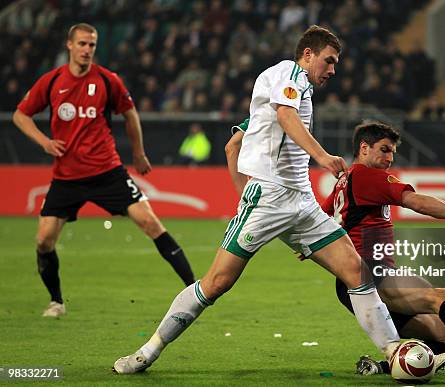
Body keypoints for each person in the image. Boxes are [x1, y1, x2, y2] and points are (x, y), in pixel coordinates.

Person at [113, 25, 402, 375]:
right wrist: (319, 159)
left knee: (355, 270)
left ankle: (394, 353)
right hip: (269, 199)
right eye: (329, 61)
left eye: (335, 63)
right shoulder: (286, 74)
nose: (332, 70)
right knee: (217, 283)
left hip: (302, 203)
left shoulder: (294, 91)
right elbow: (284, 116)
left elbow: (233, 143)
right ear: (308, 54)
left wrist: (243, 191)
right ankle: (148, 351)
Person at [227, 120, 445, 376]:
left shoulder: (345, 181)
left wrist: (307, 247)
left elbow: (321, 218)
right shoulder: (368, 176)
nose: (389, 158)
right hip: (370, 273)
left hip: (358, 282)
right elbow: (417, 202)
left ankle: (385, 368)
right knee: (441, 297)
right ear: (364, 148)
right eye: (384, 150)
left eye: (393, 152)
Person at [13, 23, 195, 318]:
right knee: (44, 240)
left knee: (152, 224)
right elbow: (20, 115)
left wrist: (138, 153)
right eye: (82, 44)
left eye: (92, 45)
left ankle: (195, 291)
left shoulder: (108, 81)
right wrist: (44, 142)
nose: (87, 50)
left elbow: (130, 114)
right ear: (69, 45)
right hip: (66, 177)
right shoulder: (52, 81)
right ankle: (56, 301)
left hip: (107, 173)